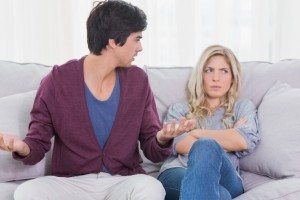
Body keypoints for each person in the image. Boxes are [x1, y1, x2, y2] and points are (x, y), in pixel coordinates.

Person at [0, 1, 195, 199]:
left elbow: (152, 149)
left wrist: (162, 139)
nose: (140, 47)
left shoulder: (138, 80)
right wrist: (22, 147)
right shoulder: (57, 81)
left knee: (151, 188)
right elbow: (37, 145)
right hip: (71, 183)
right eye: (136, 39)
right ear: (113, 41)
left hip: (122, 181)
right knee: (27, 192)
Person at [158, 44, 260, 200]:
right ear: (201, 75)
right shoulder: (180, 108)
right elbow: (179, 144)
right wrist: (229, 134)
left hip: (226, 176)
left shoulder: (243, 107)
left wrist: (196, 133)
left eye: (224, 71)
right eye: (209, 70)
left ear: (232, 77)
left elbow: (244, 141)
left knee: (206, 144)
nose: (216, 78)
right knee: (222, 195)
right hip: (179, 170)